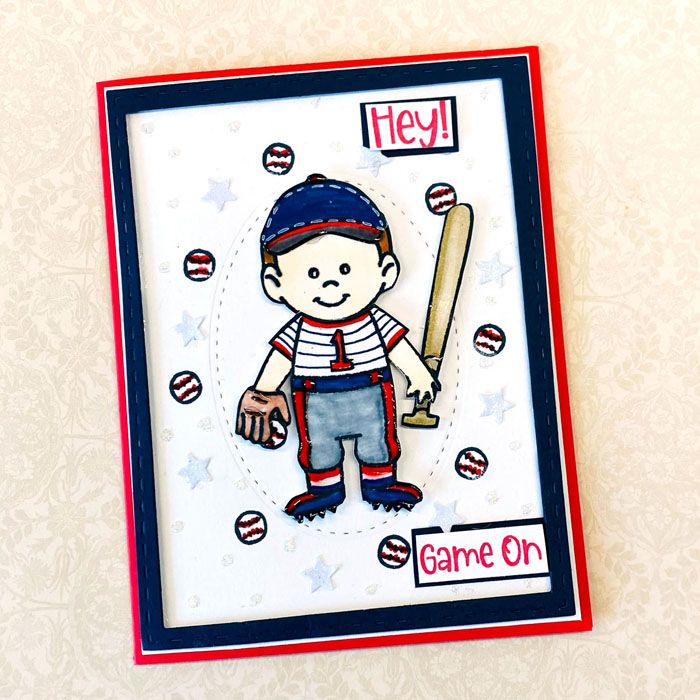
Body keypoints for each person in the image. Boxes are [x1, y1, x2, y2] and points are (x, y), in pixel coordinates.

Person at [236, 174, 439, 522]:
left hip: (370, 390)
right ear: (275, 284)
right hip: (315, 398)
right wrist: (263, 392)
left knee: (378, 440)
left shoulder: (375, 321)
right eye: (312, 273)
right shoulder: (299, 331)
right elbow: (281, 358)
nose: (330, 283)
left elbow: (398, 348)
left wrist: (419, 375)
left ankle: (380, 484)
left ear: (386, 271)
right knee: (319, 448)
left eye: (346, 269)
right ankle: (324, 490)